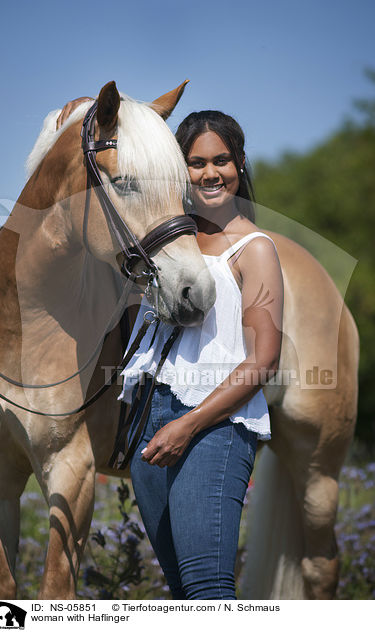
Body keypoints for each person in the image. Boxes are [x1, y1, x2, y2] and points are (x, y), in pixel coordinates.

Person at [57, 101, 284, 600]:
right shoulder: (160, 243)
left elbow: (263, 360)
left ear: (239, 164)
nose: (210, 173)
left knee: (208, 587)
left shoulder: (255, 248)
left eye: (221, 160)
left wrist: (187, 424)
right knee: (181, 589)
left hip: (213, 425)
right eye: (196, 162)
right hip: (147, 419)